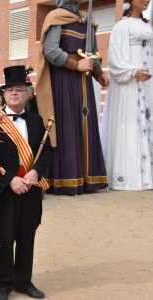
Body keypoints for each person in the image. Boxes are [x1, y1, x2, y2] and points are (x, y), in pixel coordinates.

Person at [0, 66, 53, 300]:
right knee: (3, 237)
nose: (15, 93)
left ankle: (24, 281)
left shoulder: (36, 120)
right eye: (10, 90)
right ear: (3, 94)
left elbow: (47, 152)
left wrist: (35, 173)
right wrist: (9, 179)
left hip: (31, 188)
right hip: (6, 190)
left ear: (28, 93)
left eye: (20, 89)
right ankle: (3, 284)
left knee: (27, 235)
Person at [36, 0, 109, 195]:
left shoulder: (87, 20)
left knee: (84, 123)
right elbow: (50, 51)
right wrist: (75, 65)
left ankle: (88, 179)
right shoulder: (56, 16)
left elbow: (92, 53)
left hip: (84, 82)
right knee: (67, 126)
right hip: (63, 80)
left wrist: (99, 73)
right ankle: (66, 180)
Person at [101, 0, 153, 190]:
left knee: (148, 121)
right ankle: (129, 176)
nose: (147, 0)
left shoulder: (147, 25)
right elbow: (114, 59)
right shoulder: (121, 27)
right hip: (130, 84)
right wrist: (132, 72)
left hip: (148, 83)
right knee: (131, 124)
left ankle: (148, 175)